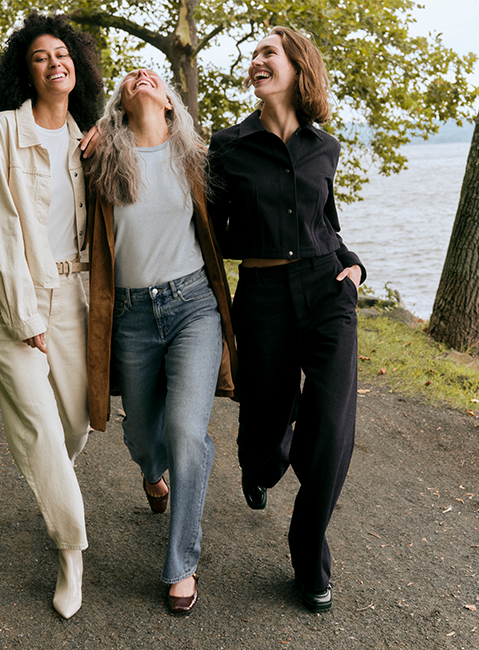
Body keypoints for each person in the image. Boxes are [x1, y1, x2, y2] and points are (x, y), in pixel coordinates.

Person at [207, 26, 364, 614]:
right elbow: (208, 233)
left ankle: (308, 555)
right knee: (265, 424)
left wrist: (354, 267)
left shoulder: (325, 148)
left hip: (328, 290)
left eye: (268, 52)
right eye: (253, 54)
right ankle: (259, 466)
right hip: (264, 295)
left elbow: (326, 222)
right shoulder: (228, 147)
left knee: (332, 426)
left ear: (298, 67)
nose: (256, 60)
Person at [82, 68, 237, 616]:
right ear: (119, 105)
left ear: (171, 102)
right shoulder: (99, 158)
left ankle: (181, 565)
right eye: (130, 77)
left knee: (186, 432)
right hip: (129, 316)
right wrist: (90, 134)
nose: (141, 75)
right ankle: (153, 474)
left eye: (153, 75)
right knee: (142, 435)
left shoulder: (196, 157)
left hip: (193, 305)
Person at [0, 13, 103, 620]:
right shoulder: (4, 130)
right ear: (25, 73)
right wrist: (25, 313)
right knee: (40, 427)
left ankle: (56, 484)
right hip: (16, 301)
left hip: (76, 297)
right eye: (40, 57)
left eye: (63, 54)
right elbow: (0, 227)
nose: (55, 63)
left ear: (77, 65)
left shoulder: (90, 139)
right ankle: (70, 552)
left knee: (73, 425)